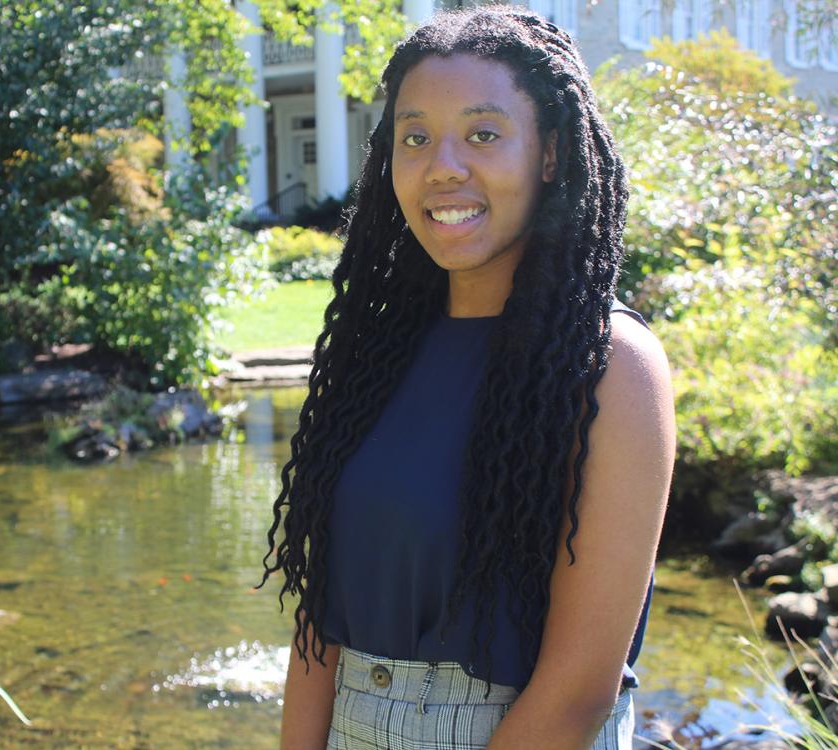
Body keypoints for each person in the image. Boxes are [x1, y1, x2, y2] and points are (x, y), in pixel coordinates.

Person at [257, 6, 676, 749]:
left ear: (549, 154)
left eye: (483, 134)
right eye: (415, 137)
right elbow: (319, 624)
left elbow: (580, 690)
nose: (442, 165)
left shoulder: (610, 367)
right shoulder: (373, 354)